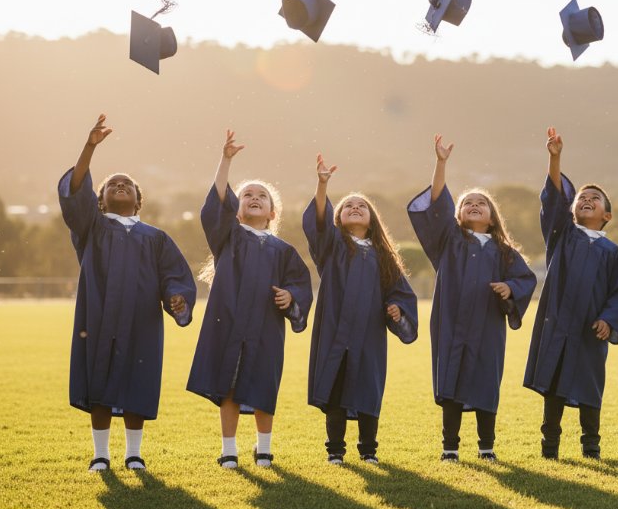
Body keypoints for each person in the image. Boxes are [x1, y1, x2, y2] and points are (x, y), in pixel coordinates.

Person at [58, 113, 196, 472]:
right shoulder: (92, 227)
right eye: (111, 184)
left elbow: (174, 276)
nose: (120, 185)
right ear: (100, 200)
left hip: (141, 319)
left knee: (139, 378)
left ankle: (134, 454)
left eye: (128, 184)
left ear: (138, 200)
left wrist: (176, 297)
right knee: (99, 378)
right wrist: (89, 147)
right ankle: (100, 455)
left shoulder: (155, 237)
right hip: (99, 315)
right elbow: (75, 192)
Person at [407, 134, 537, 462]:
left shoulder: (504, 250)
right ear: (459, 214)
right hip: (451, 322)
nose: (474, 205)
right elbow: (436, 206)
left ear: (492, 217)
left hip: (488, 325)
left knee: (485, 383)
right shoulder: (448, 240)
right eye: (467, 203)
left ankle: (486, 447)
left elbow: (525, 278)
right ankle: (450, 447)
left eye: (481, 203)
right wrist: (441, 164)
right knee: (450, 381)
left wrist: (510, 289)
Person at [186, 130, 312, 468]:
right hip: (227, 321)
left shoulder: (284, 251)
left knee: (263, 384)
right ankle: (229, 449)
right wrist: (226, 160)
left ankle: (264, 448)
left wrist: (291, 296)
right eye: (247, 195)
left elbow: (300, 284)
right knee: (228, 383)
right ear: (237, 210)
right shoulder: (227, 237)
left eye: (262, 196)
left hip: (266, 325)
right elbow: (216, 205)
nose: (254, 198)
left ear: (273, 212)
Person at [524, 127, 618, 460]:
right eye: (581, 198)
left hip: (590, 330)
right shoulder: (562, 236)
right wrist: (554, 158)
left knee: (589, 387)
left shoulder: (613, 253)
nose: (586, 200)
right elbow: (554, 201)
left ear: (607, 215)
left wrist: (609, 320)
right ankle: (550, 448)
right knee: (553, 387)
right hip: (558, 325)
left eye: (595, 199)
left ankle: (591, 446)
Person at [302, 154, 419, 466]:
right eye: (348, 206)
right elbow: (318, 222)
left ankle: (368, 451)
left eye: (361, 206)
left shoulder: (384, 257)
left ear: (372, 218)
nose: (354, 207)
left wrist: (397, 309)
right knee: (336, 390)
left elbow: (400, 293)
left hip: (368, 335)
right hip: (334, 333)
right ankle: (335, 452)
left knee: (368, 391)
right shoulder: (332, 247)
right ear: (339, 218)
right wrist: (322, 184)